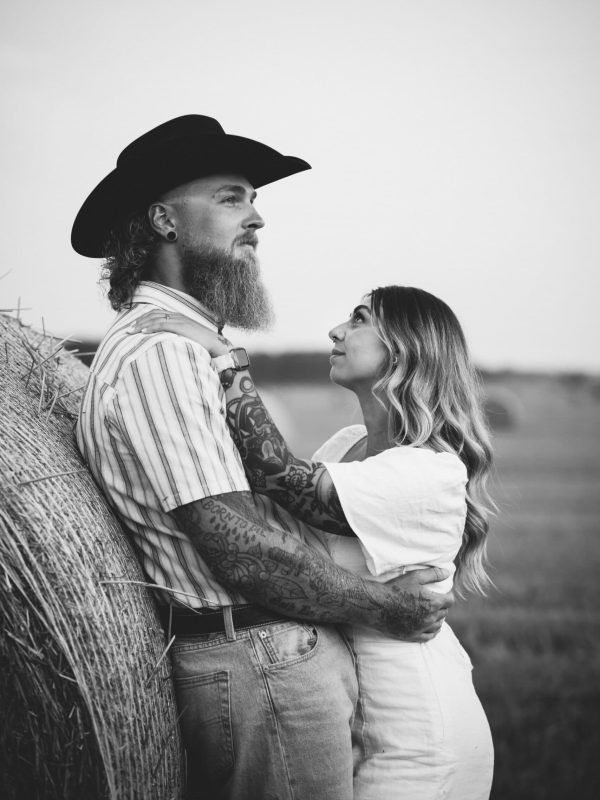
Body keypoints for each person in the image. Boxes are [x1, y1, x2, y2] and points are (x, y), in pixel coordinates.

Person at [71, 114, 454, 800]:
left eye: (253, 199)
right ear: (163, 220)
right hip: (262, 663)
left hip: (267, 658)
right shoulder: (162, 353)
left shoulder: (185, 346)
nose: (256, 218)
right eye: (231, 197)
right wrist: (386, 607)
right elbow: (238, 548)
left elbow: (276, 487)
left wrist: (224, 355)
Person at [133, 285, 496, 799]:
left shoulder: (426, 471)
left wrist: (225, 360)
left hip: (417, 733)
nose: (336, 330)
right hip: (353, 712)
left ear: (405, 348)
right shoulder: (347, 446)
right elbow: (263, 507)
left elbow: (278, 476)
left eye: (359, 319)